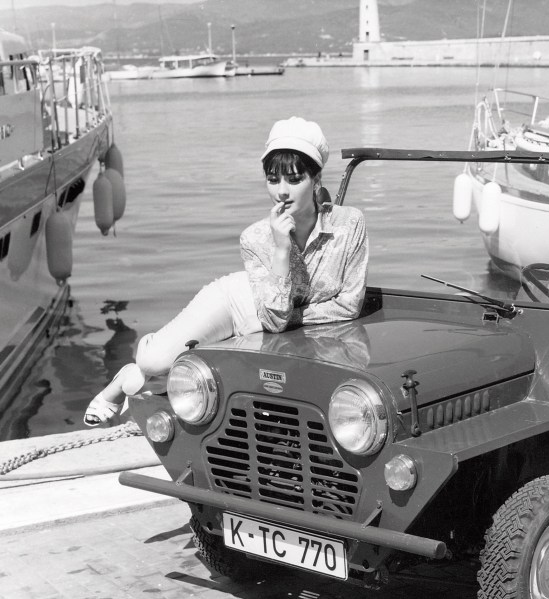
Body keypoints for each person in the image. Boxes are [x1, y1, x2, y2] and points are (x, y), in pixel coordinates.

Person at [83, 117, 369, 426]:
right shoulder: (256, 237)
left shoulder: (350, 224)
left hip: (269, 320)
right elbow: (276, 319)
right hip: (237, 302)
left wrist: (287, 318)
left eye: (294, 179)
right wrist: (281, 248)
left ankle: (144, 379)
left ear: (316, 179)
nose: (282, 192)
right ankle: (126, 376)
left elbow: (349, 305)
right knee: (154, 362)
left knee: (215, 384)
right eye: (273, 180)